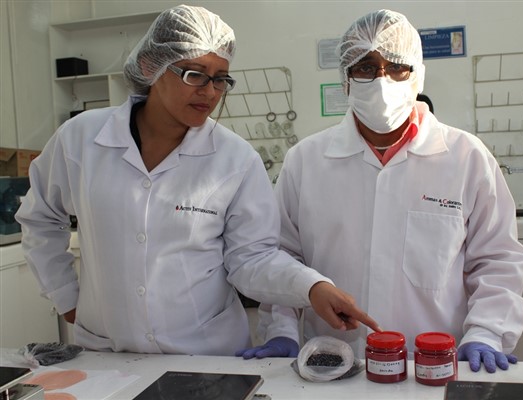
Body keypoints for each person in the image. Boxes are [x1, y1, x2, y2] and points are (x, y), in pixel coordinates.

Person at [15, 5, 379, 357]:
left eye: (220, 78)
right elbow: (40, 217)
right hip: (108, 351)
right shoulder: (81, 139)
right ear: (151, 66)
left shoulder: (235, 160)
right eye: (195, 74)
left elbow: (251, 259)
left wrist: (311, 287)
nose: (210, 91)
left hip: (205, 355)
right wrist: (65, 295)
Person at [241, 9, 523, 373]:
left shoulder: (466, 157)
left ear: (417, 74)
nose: (381, 80)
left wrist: (486, 332)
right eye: (365, 67)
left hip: (434, 363)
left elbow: (498, 259)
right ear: (345, 79)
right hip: (335, 362)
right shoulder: (306, 160)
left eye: (396, 67)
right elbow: (283, 256)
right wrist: (281, 330)